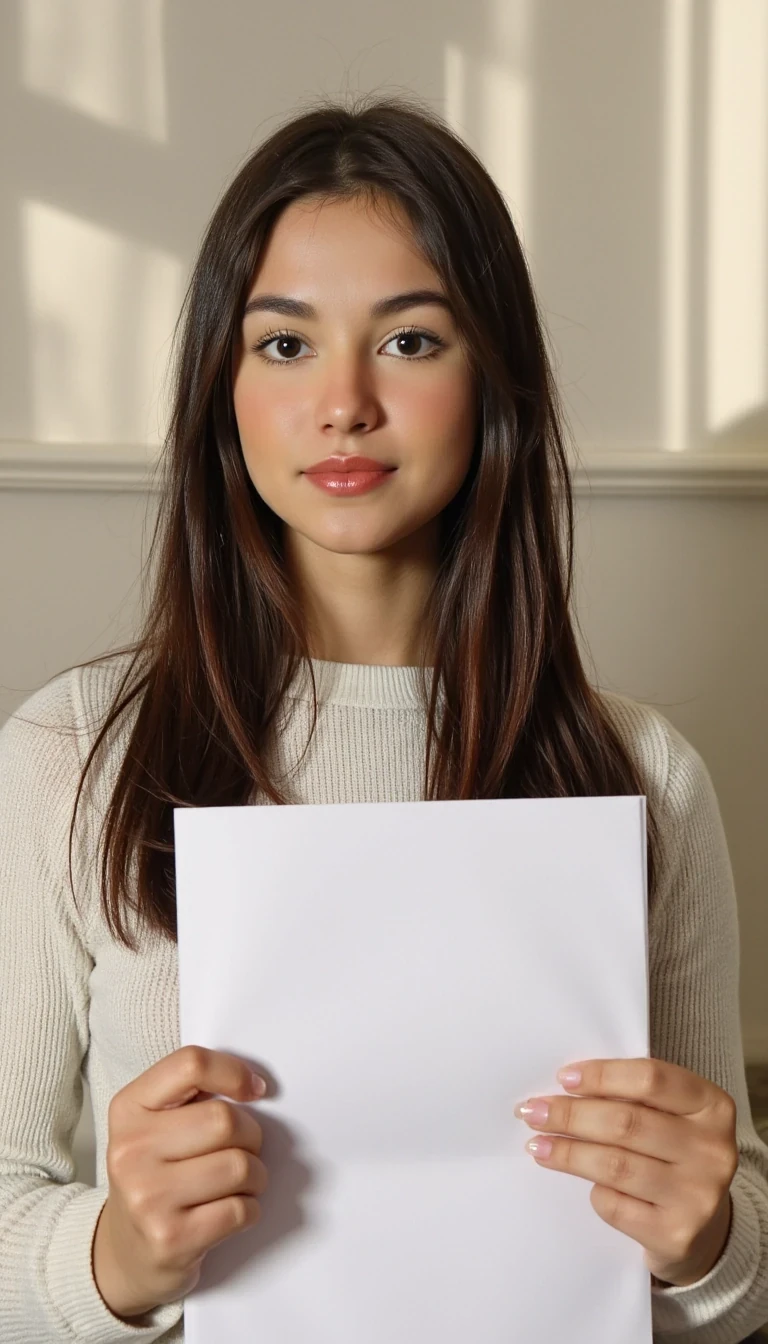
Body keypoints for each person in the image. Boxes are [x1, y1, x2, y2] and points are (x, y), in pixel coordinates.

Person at [0, 90, 766, 1344]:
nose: (344, 402)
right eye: (285, 344)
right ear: (220, 385)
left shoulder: (643, 775)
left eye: (410, 341)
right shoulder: (70, 755)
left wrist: (713, 1241)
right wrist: (118, 1257)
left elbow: (737, 1276)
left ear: (492, 378)